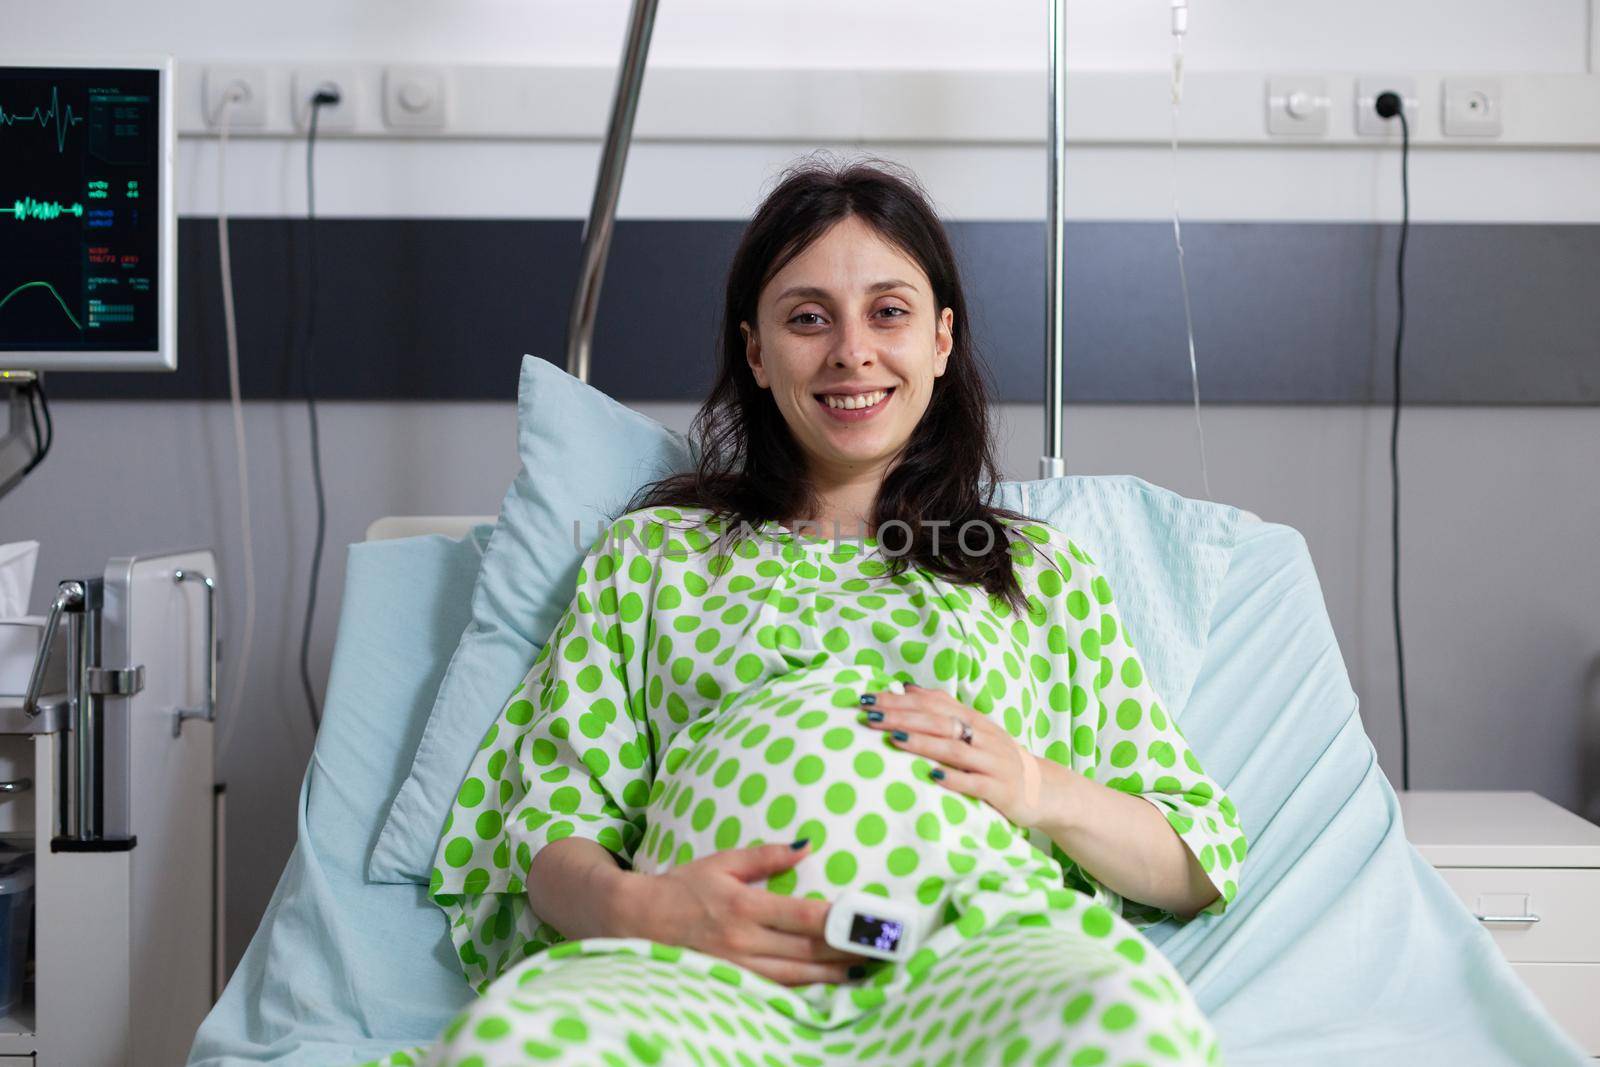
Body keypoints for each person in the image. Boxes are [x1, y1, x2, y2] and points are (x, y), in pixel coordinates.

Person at [374, 155, 1245, 1067]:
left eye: (890, 312)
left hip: (977, 957)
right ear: (756, 350)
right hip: (690, 968)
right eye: (807, 318)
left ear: (942, 341)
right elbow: (549, 830)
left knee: (1131, 1027)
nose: (851, 352)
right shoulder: (654, 557)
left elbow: (1190, 858)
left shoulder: (1034, 570)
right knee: (520, 1043)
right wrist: (646, 908)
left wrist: (1033, 785)